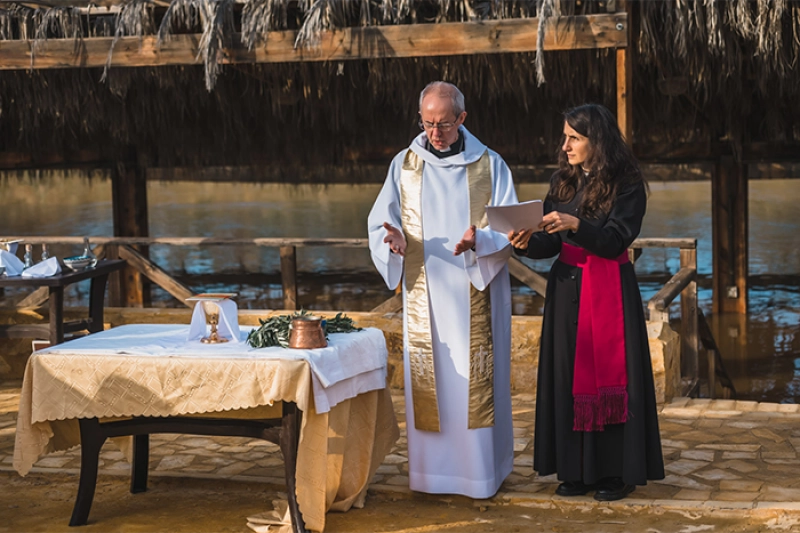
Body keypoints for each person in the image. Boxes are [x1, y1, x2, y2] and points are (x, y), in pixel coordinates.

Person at [367, 81, 517, 498]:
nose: (435, 133)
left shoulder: (490, 165)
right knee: (431, 384)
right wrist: (393, 242)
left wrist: (480, 241)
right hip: (425, 295)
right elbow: (381, 222)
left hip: (476, 289)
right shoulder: (404, 165)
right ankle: (432, 476)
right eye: (428, 123)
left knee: (476, 385)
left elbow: (511, 229)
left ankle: (482, 475)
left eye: (445, 124)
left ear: (462, 119)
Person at [509, 103, 665, 501]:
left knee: (614, 381)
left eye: (574, 138)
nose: (565, 146)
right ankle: (575, 470)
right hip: (565, 290)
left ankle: (615, 473)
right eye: (565, 137)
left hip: (609, 288)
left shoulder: (627, 183)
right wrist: (525, 243)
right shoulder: (562, 181)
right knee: (566, 378)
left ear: (598, 140)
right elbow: (550, 244)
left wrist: (577, 224)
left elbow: (615, 240)